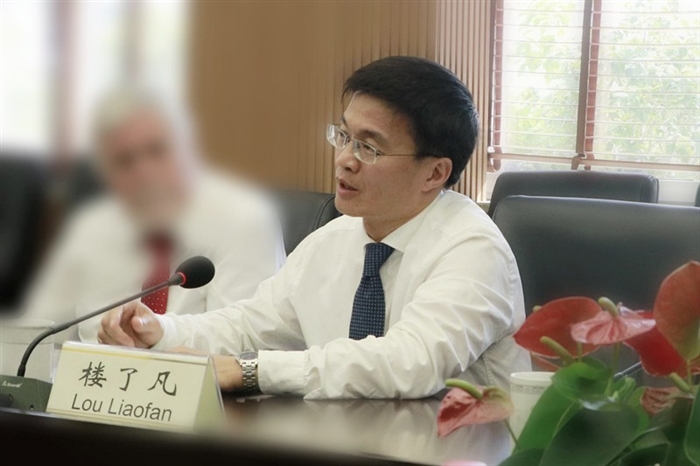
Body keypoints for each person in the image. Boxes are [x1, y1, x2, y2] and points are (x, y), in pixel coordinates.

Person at [98, 57, 530, 399]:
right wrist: (160, 331)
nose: (344, 159)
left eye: (369, 148)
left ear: (435, 173)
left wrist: (250, 370)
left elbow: (410, 363)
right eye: (343, 136)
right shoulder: (334, 240)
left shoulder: (473, 250)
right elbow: (248, 326)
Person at [22, 87, 286, 343]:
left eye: (157, 151)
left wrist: (156, 341)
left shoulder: (244, 222)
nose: (145, 173)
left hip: (198, 372)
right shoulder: (94, 227)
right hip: (99, 370)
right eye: (124, 161)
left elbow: (243, 340)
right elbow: (43, 329)